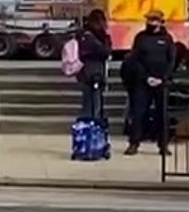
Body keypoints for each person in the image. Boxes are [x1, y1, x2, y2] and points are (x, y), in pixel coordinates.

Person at [124, 9, 177, 155]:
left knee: (162, 114)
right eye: (149, 20)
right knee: (138, 113)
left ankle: (163, 144)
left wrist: (163, 78)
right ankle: (134, 143)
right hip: (143, 82)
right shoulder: (140, 38)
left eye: (154, 20)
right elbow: (134, 59)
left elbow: (171, 60)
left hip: (162, 82)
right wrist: (146, 77)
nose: (151, 23)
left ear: (160, 22)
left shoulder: (167, 39)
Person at [76, 9, 111, 123]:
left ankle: (90, 124)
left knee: (89, 101)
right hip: (94, 71)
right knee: (95, 102)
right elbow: (105, 51)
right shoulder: (93, 36)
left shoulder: (84, 34)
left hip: (87, 71)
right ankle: (94, 125)